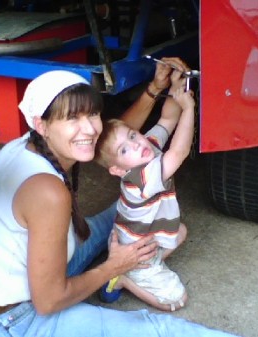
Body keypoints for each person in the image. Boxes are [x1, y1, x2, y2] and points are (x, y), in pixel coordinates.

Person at [0, 61, 239, 337]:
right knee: (159, 329)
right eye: (73, 118)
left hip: (22, 280)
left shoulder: (31, 145)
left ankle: (125, 262)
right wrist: (115, 266)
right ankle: (125, 273)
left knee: (125, 212)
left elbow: (112, 140)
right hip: (14, 321)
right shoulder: (46, 191)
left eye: (92, 114)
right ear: (42, 124)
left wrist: (156, 87)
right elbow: (48, 301)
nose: (88, 129)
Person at [94, 69, 194, 312]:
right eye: (124, 150)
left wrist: (174, 90)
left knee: (180, 231)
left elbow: (167, 121)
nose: (136, 145)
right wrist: (189, 109)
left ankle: (127, 264)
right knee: (176, 300)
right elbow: (178, 152)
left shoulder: (146, 146)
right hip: (137, 252)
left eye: (132, 135)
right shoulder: (140, 177)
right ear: (117, 170)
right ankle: (124, 278)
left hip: (132, 236)